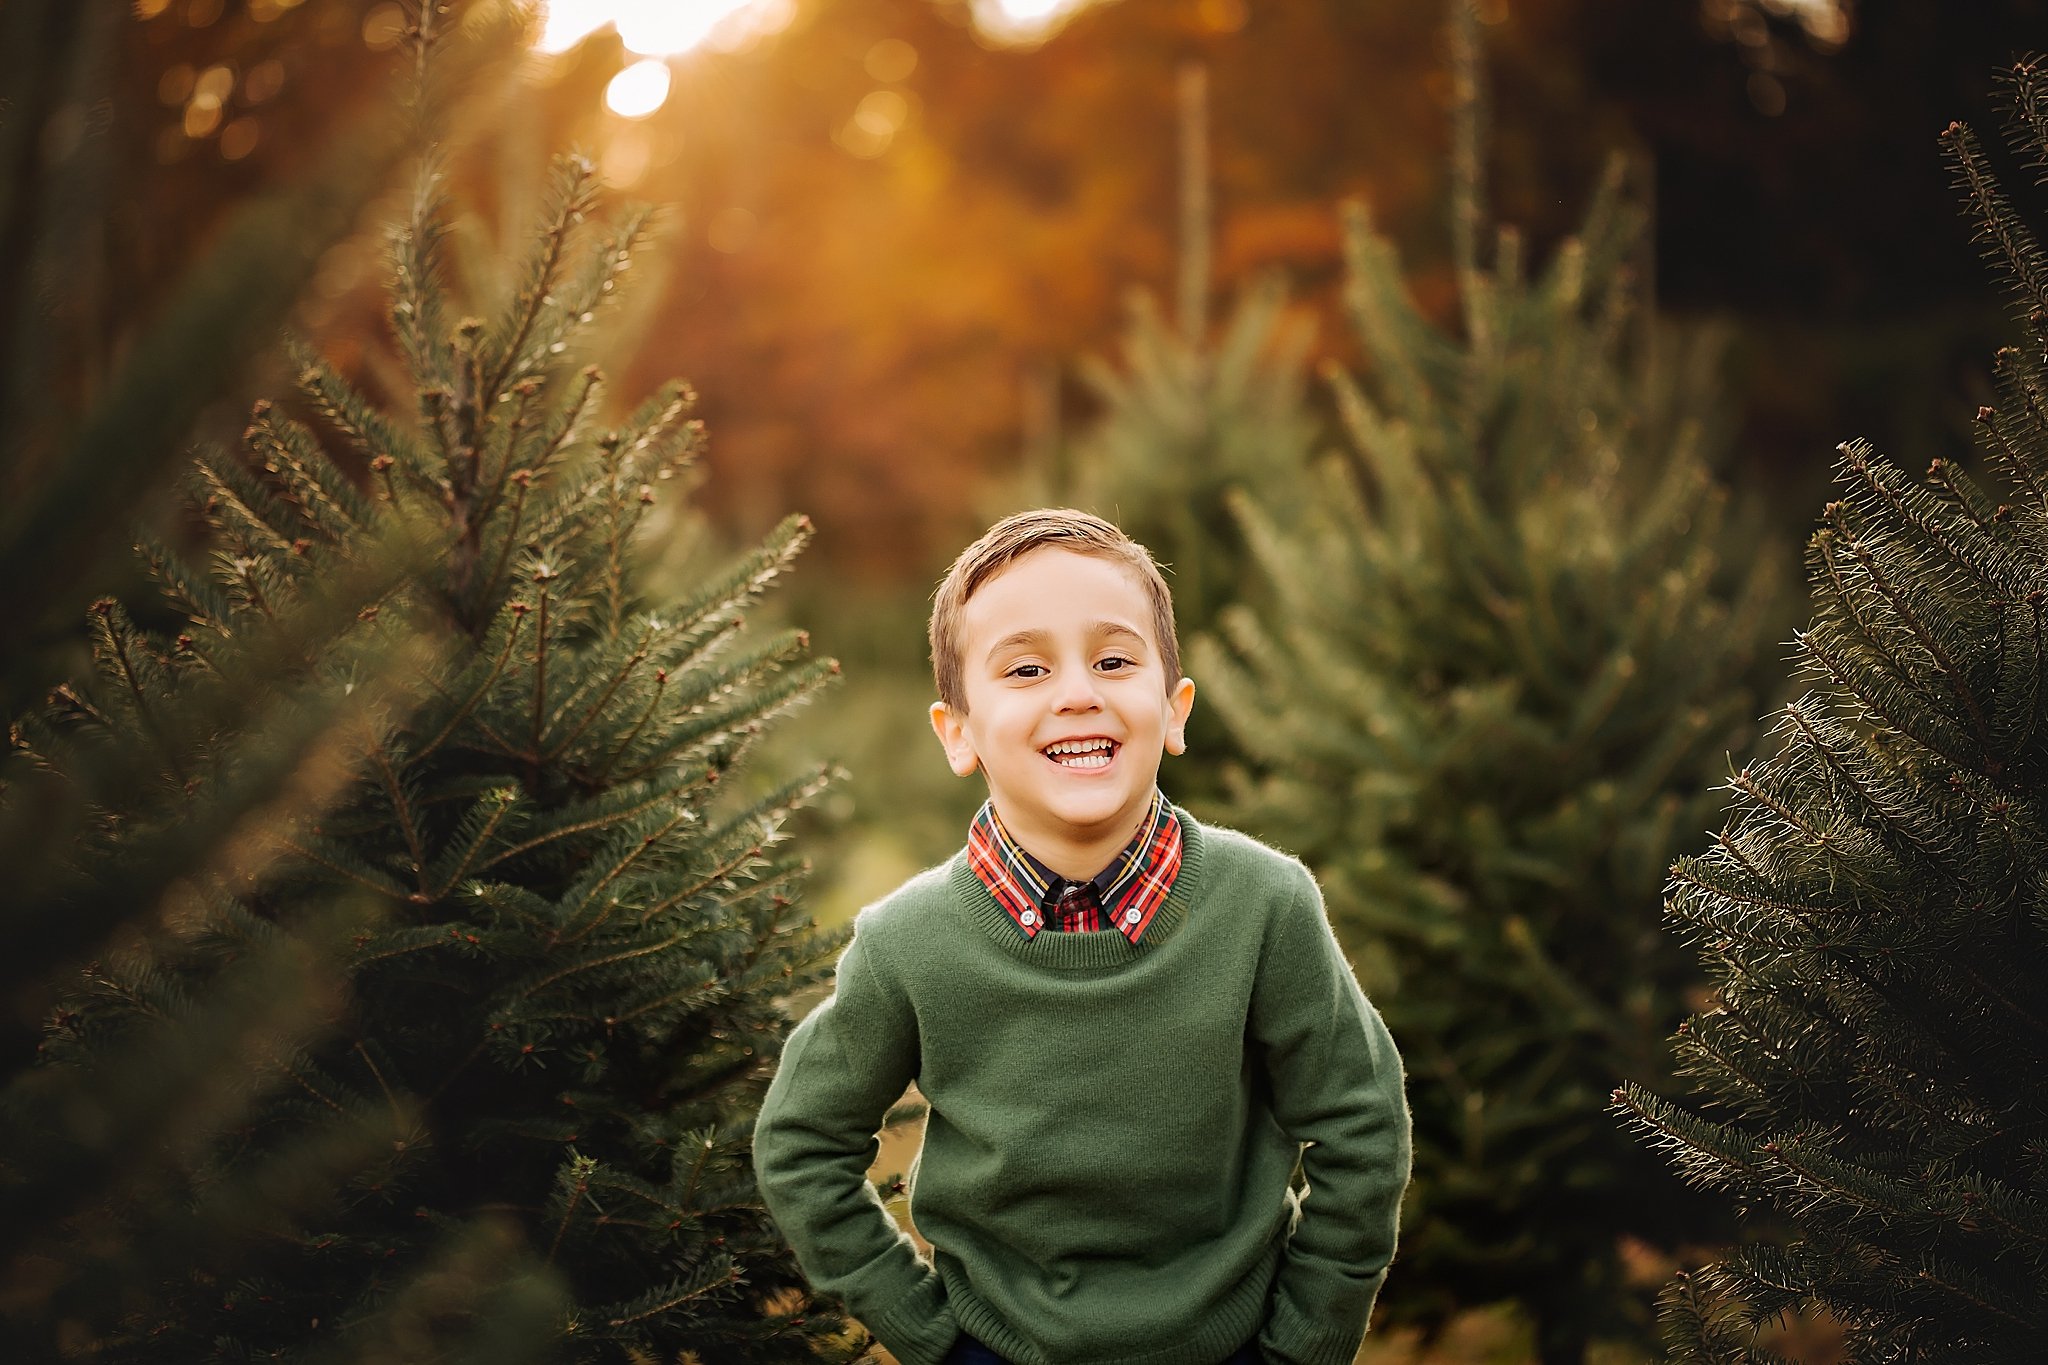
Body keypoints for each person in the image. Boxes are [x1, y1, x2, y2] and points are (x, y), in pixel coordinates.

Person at [753, 509, 1411, 1365]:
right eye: (1026, 667)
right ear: (959, 733)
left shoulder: (1264, 906)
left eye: (1113, 659)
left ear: (1173, 711)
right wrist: (929, 1336)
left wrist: (1302, 1344)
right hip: (998, 1347)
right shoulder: (906, 944)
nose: (1077, 691)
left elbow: (1363, 1125)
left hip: (1235, 1344)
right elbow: (800, 1143)